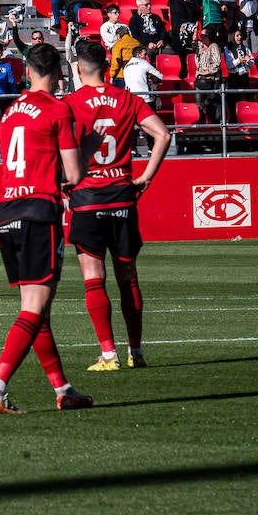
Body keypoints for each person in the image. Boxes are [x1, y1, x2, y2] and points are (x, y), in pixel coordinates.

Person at [0, 42, 94, 415]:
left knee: (36, 307)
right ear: (58, 74)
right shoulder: (57, 109)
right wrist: (86, 149)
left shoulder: (9, 113)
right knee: (34, 308)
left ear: (27, 73)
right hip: (38, 211)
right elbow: (73, 174)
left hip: (7, 211)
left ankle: (63, 389)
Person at [66, 40, 172, 371]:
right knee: (128, 276)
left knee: (93, 277)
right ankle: (136, 352)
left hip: (86, 197)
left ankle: (108, 354)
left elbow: (58, 144)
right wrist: (145, 177)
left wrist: (62, 184)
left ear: (80, 68)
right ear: (108, 66)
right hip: (122, 195)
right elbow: (163, 135)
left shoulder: (70, 103)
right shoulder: (127, 98)